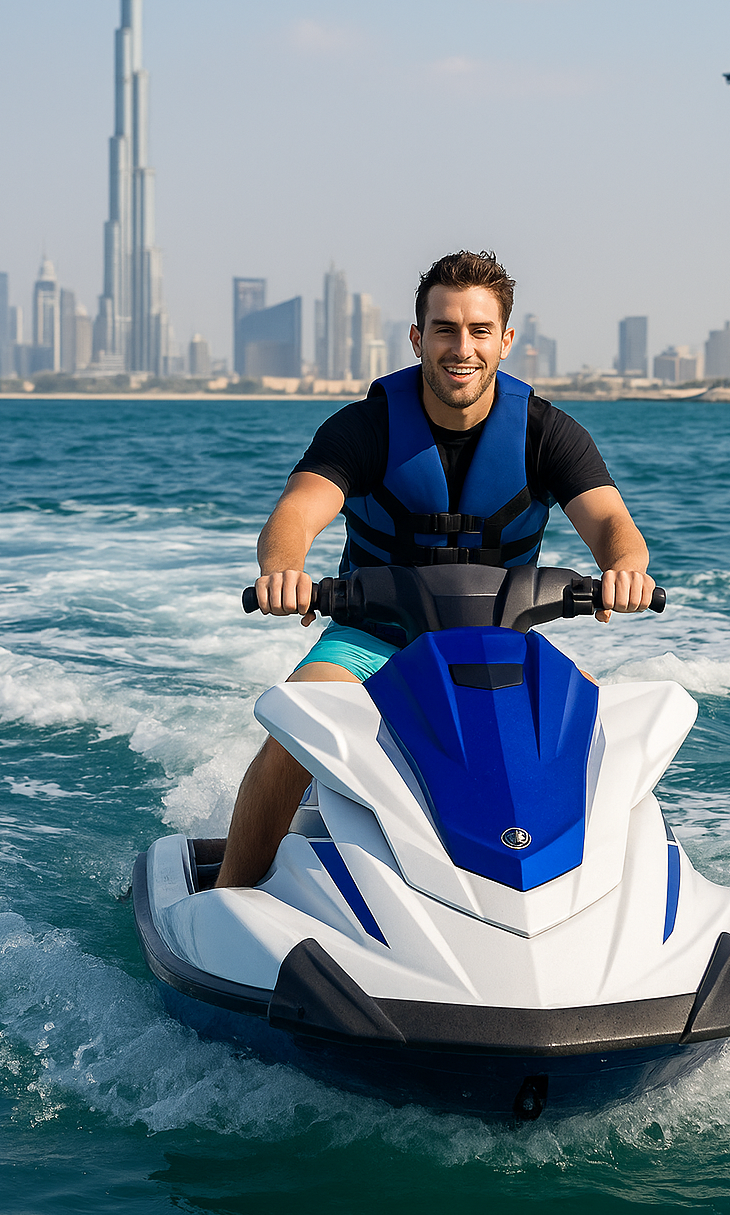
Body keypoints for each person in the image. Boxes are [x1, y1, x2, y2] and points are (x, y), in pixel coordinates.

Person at [216, 251, 655, 888]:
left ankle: (617, 904)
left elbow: (614, 526)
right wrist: (283, 570)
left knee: (598, 732)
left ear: (505, 340)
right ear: (418, 336)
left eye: (479, 330)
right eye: (445, 329)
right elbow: (296, 513)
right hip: (375, 640)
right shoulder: (364, 428)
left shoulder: (546, 434)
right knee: (302, 721)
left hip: (504, 641)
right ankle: (229, 894)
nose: (462, 347)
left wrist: (625, 569)